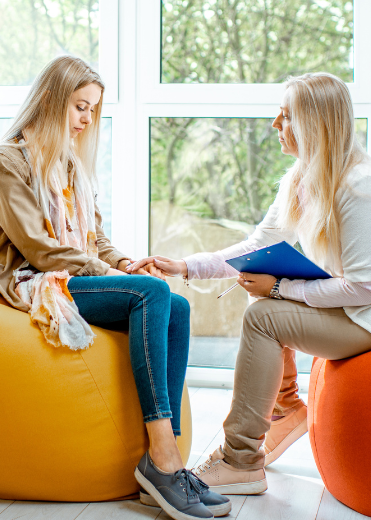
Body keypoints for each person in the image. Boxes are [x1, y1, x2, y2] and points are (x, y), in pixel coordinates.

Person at [0, 55, 228, 520]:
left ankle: (162, 464)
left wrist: (126, 262)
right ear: (49, 100)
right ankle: (164, 460)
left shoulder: (68, 164)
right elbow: (39, 249)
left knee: (177, 305)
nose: (87, 120)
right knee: (151, 294)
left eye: (93, 110)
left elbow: (95, 239)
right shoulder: (5, 162)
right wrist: (116, 276)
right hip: (34, 281)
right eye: (80, 107)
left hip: (68, 274)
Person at [131, 72, 371, 495]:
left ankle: (240, 460)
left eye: (285, 116)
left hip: (364, 318)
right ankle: (284, 409)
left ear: (314, 124)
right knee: (260, 305)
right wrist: (184, 267)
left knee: (263, 314)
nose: (274, 125)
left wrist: (280, 289)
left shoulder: (359, 187)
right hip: (348, 308)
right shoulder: (301, 179)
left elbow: (364, 289)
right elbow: (256, 247)